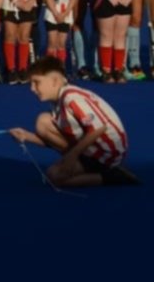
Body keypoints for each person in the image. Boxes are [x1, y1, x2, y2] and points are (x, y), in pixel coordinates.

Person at [8, 57, 137, 187]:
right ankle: (91, 166)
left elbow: (99, 127)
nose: (32, 89)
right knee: (43, 123)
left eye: (36, 82)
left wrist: (72, 156)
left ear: (54, 81)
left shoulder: (71, 98)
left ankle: (111, 176)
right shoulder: (58, 101)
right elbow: (54, 140)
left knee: (55, 176)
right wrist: (26, 136)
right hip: (93, 148)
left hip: (107, 152)